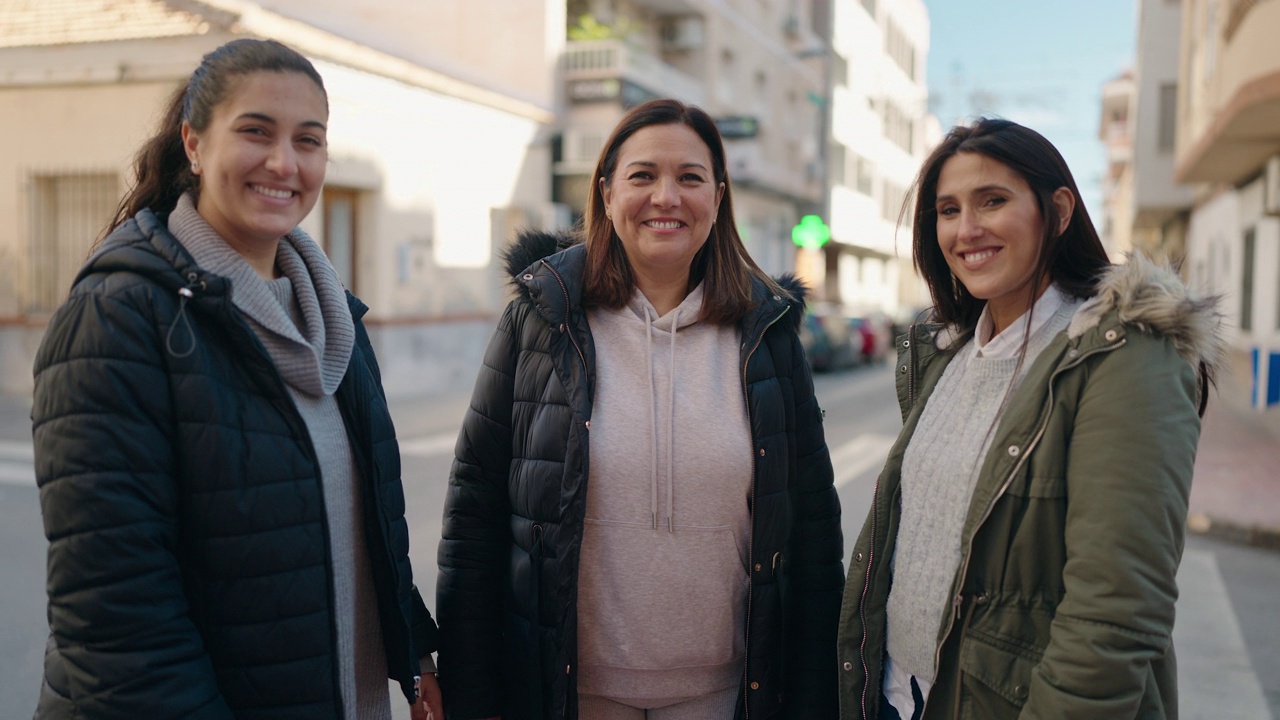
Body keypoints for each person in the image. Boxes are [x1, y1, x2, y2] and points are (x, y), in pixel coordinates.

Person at [31, 38, 442, 720]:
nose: (284, 162)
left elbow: (364, 520)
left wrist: (413, 650)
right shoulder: (117, 319)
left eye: (308, 141)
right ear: (193, 144)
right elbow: (117, 615)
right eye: (256, 131)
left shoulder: (333, 316)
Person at [435, 98, 845, 720]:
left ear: (718, 196)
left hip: (726, 693)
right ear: (606, 194)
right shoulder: (542, 319)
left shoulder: (768, 335)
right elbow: (476, 511)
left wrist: (816, 696)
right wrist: (469, 691)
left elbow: (812, 528)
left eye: (689, 177)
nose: (666, 197)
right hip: (565, 694)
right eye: (642, 175)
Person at [837, 117, 1223, 720]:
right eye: (947, 210)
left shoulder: (1121, 357)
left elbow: (1115, 614)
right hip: (901, 694)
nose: (967, 230)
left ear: (1059, 210)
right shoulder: (950, 354)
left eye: (993, 201)